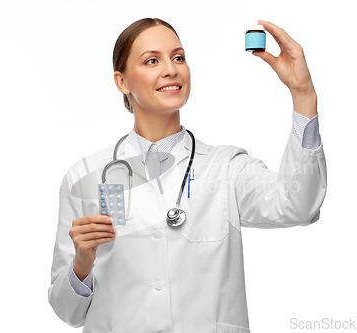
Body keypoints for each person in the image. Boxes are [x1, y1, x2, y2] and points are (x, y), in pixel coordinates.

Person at [48, 18, 327, 333]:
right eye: (152, 60)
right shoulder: (86, 177)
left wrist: (303, 94)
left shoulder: (226, 168)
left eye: (178, 57)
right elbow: (67, 312)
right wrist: (82, 264)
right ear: (122, 82)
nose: (171, 69)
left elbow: (299, 205)